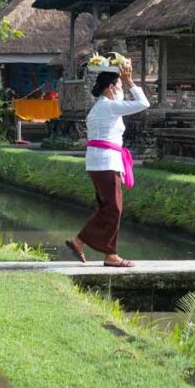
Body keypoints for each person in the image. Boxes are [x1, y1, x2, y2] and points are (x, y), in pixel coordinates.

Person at [65, 61, 149, 267]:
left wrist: (125, 82)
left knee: (107, 207)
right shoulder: (109, 106)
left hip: (99, 162)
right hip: (105, 163)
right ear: (111, 88)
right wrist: (130, 80)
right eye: (119, 86)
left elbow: (126, 102)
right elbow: (143, 103)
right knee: (114, 208)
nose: (123, 90)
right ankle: (103, 251)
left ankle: (93, 245)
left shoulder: (100, 107)